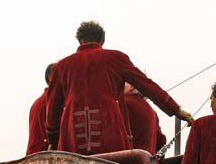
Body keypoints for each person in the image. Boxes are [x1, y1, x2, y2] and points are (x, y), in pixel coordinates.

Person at [46, 21, 194, 154]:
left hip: (72, 137)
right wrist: (176, 110)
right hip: (109, 132)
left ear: (79, 40)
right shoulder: (116, 58)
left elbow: (52, 109)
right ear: (102, 40)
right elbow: (147, 85)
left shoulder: (62, 66)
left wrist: (54, 140)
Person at [123, 83, 167, 155]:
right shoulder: (152, 111)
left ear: (132, 86)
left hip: (124, 163)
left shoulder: (121, 104)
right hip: (149, 163)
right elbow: (160, 142)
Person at [26, 63, 54, 155]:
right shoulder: (51, 102)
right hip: (43, 159)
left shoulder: (39, 102)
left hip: (34, 158)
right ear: (51, 78)